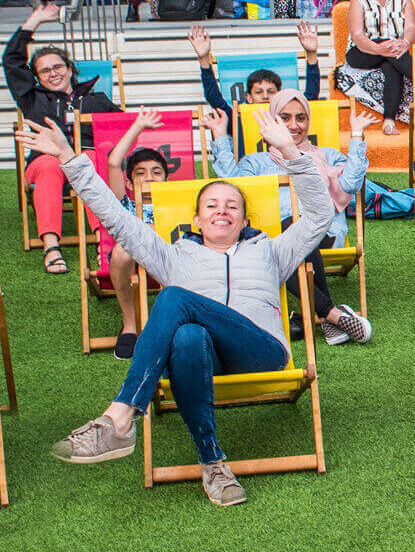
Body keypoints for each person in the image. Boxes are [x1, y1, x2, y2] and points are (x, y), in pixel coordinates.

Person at [25, 108, 330, 507]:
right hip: (202, 359)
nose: (222, 210)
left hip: (261, 353)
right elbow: (116, 218)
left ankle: (120, 416)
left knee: (172, 297)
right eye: (212, 205)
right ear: (197, 220)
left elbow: (321, 215)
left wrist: (290, 150)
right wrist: (70, 160)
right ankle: (214, 464)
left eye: (232, 206)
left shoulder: (272, 251)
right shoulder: (171, 255)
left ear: (244, 219)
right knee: (186, 336)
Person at [207, 91, 376, 346]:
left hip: (323, 233)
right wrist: (220, 136)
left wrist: (356, 135)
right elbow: (232, 188)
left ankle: (325, 313)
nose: (294, 125)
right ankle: (331, 314)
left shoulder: (327, 155)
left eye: (301, 118)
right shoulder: (257, 162)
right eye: (284, 118)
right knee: (284, 237)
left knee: (294, 229)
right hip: (274, 241)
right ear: (273, 122)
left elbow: (351, 184)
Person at [6, 2, 122, 274]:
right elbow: (11, 62)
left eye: (57, 66)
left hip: (87, 159)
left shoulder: (96, 99)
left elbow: (121, 127)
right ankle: (51, 245)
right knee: (49, 165)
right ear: (37, 78)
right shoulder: (32, 98)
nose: (53, 73)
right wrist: (35, 20)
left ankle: (102, 242)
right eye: (44, 71)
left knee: (90, 160)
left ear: (69, 68)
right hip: (45, 161)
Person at [98, 110, 170, 359]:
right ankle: (130, 325)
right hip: (132, 256)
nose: (149, 177)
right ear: (128, 183)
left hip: (168, 256)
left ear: (166, 179)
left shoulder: (177, 203)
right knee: (119, 252)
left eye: (156, 172)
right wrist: (138, 126)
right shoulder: (125, 204)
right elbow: (113, 163)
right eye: (140, 173)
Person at [342, 0, 415, 135]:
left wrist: (405, 42)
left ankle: (389, 121)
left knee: (390, 66)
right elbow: (358, 35)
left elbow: (411, 27)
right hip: (363, 51)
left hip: (394, 51)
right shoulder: (358, 0)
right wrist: (379, 48)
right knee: (387, 49)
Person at [192, 22, 322, 117]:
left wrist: (311, 54)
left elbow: (310, 97)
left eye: (271, 92)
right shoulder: (238, 121)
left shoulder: (288, 120)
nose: (265, 96)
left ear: (280, 95)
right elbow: (215, 99)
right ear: (248, 97)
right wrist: (203, 59)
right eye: (259, 92)